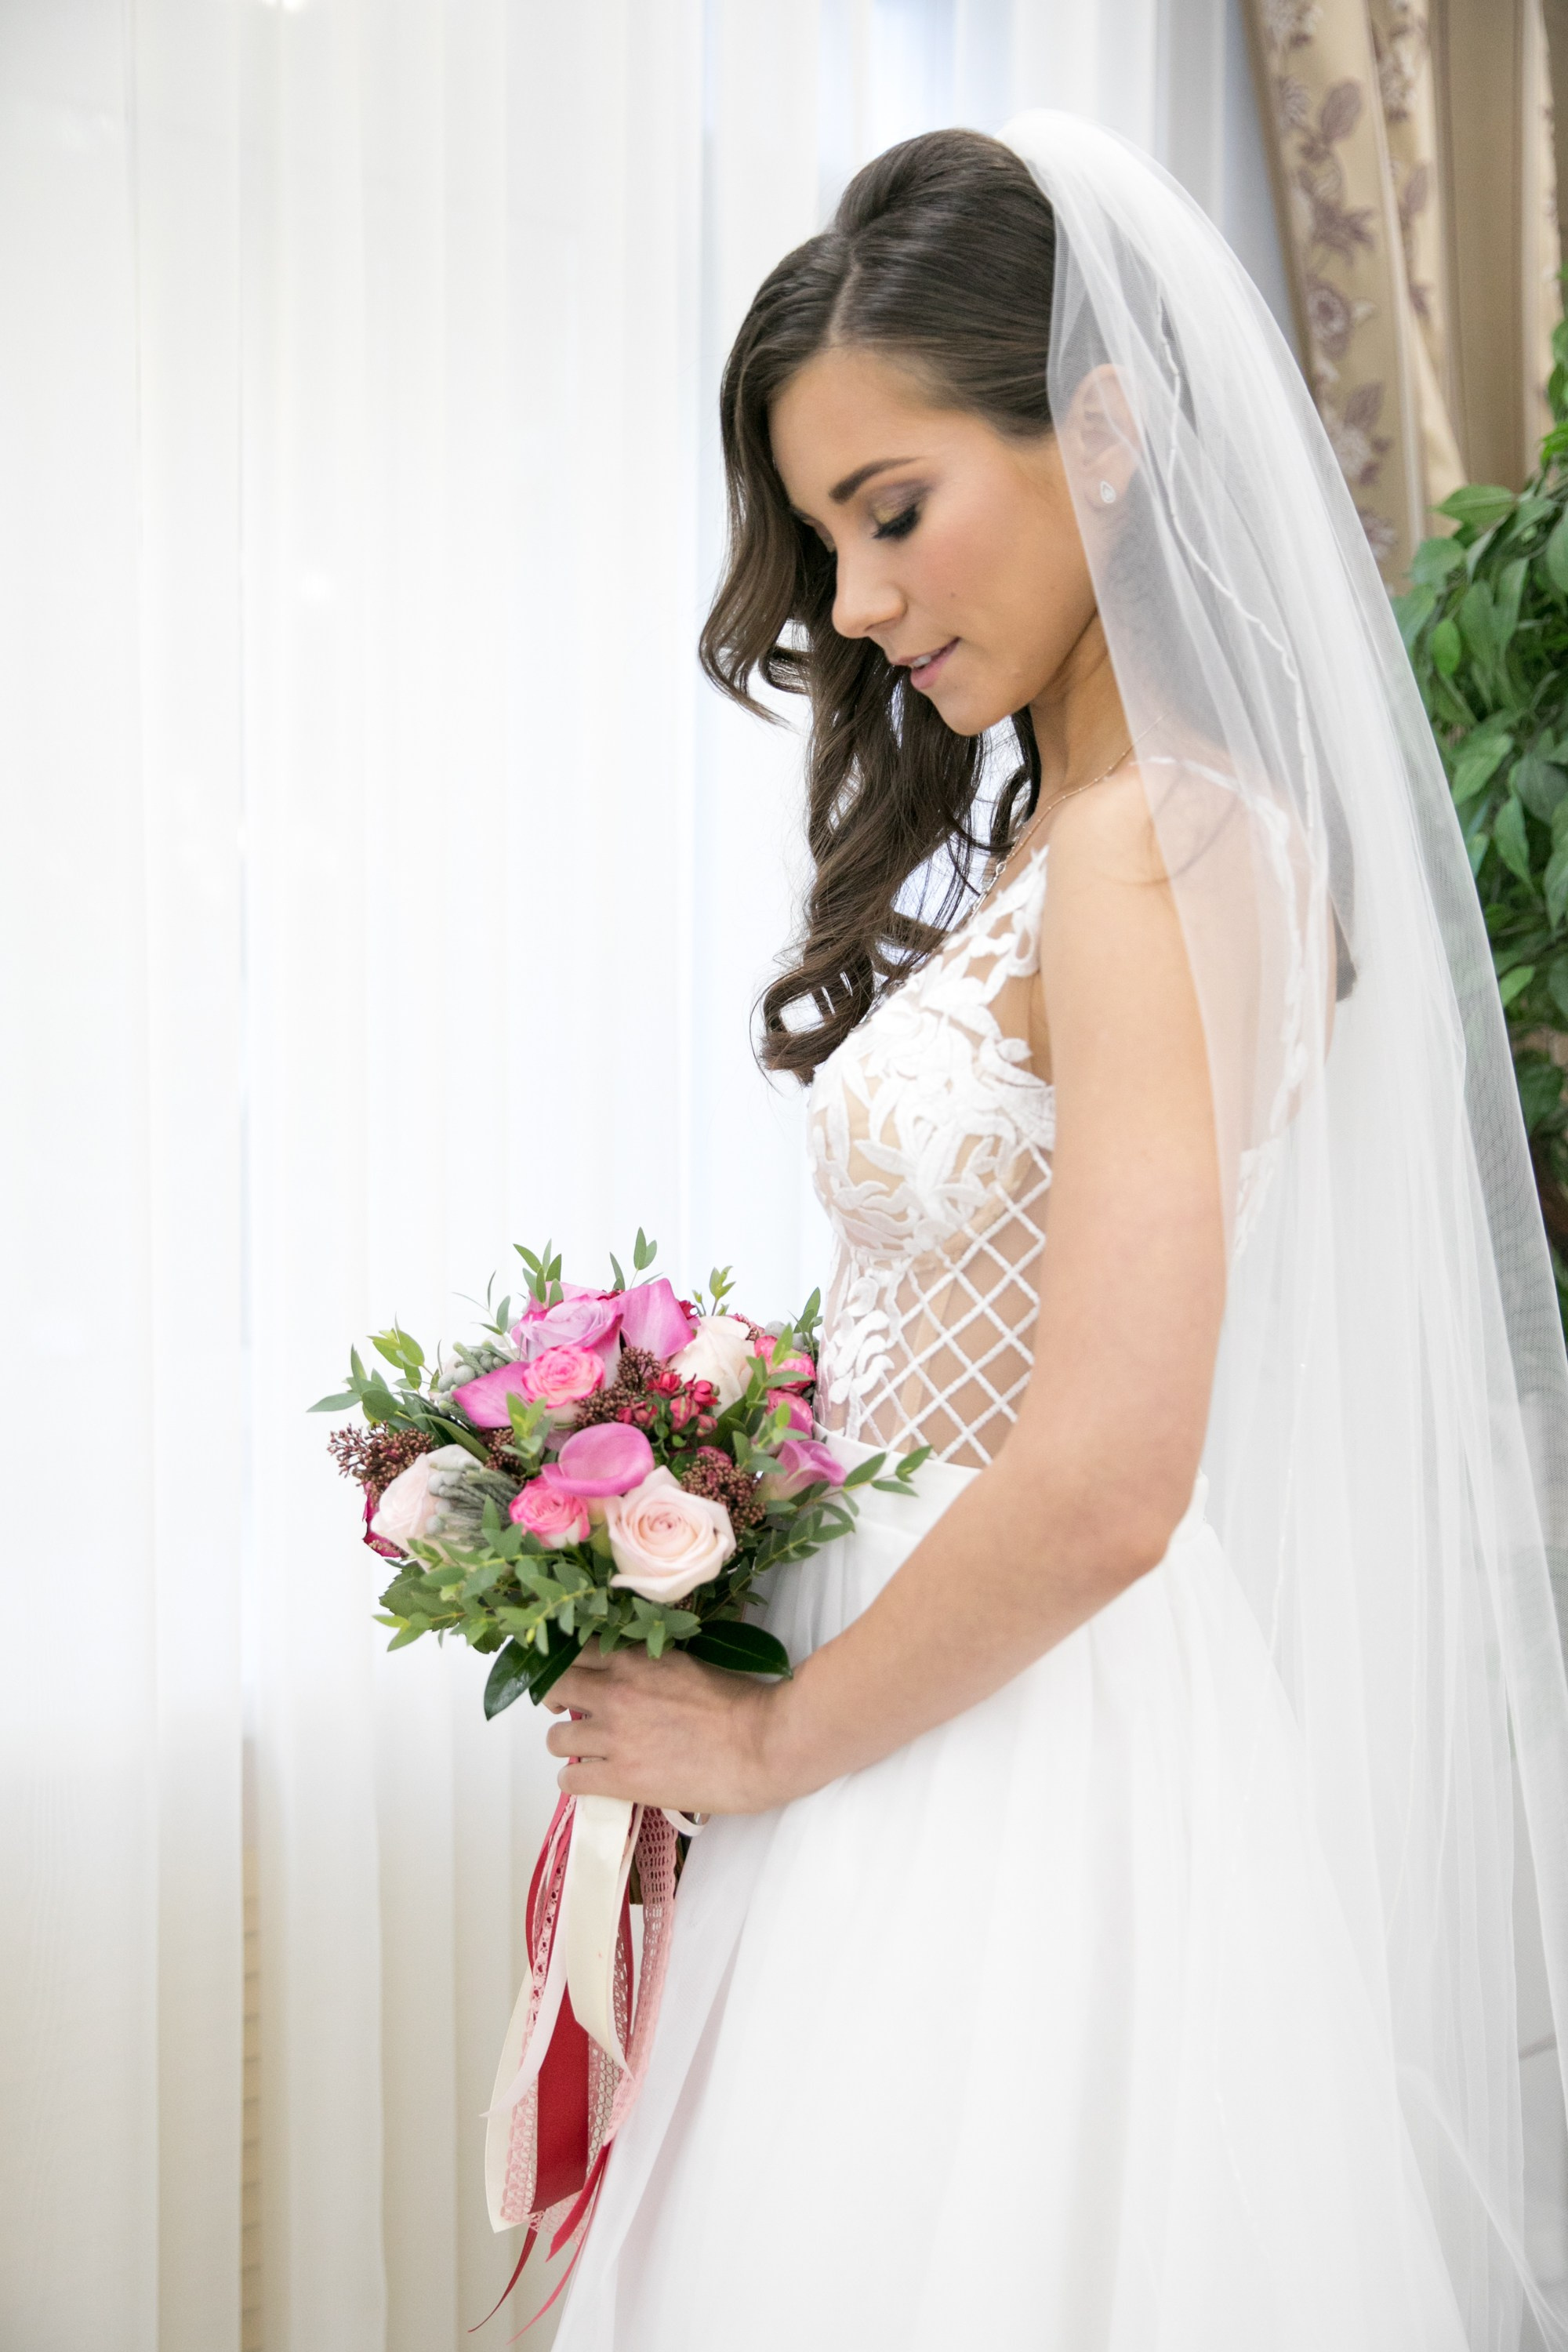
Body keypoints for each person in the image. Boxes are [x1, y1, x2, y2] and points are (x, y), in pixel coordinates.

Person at [546, 114, 1568, 2348]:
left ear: (1100, 434)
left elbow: (1109, 1473)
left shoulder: (1153, 847)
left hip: (1000, 1750)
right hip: (949, 1699)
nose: (856, 606)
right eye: (829, 540)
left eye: (893, 514)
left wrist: (771, 1743)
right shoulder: (1090, 837)